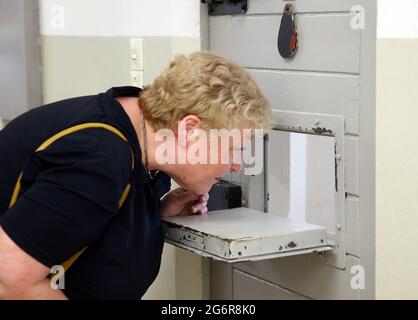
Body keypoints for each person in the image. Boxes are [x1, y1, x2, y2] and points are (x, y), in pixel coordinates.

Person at [0, 52, 270, 300]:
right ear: (190, 130)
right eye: (234, 149)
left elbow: (82, 222)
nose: (236, 165)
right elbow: (11, 282)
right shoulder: (98, 159)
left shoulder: (141, 138)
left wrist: (153, 214)